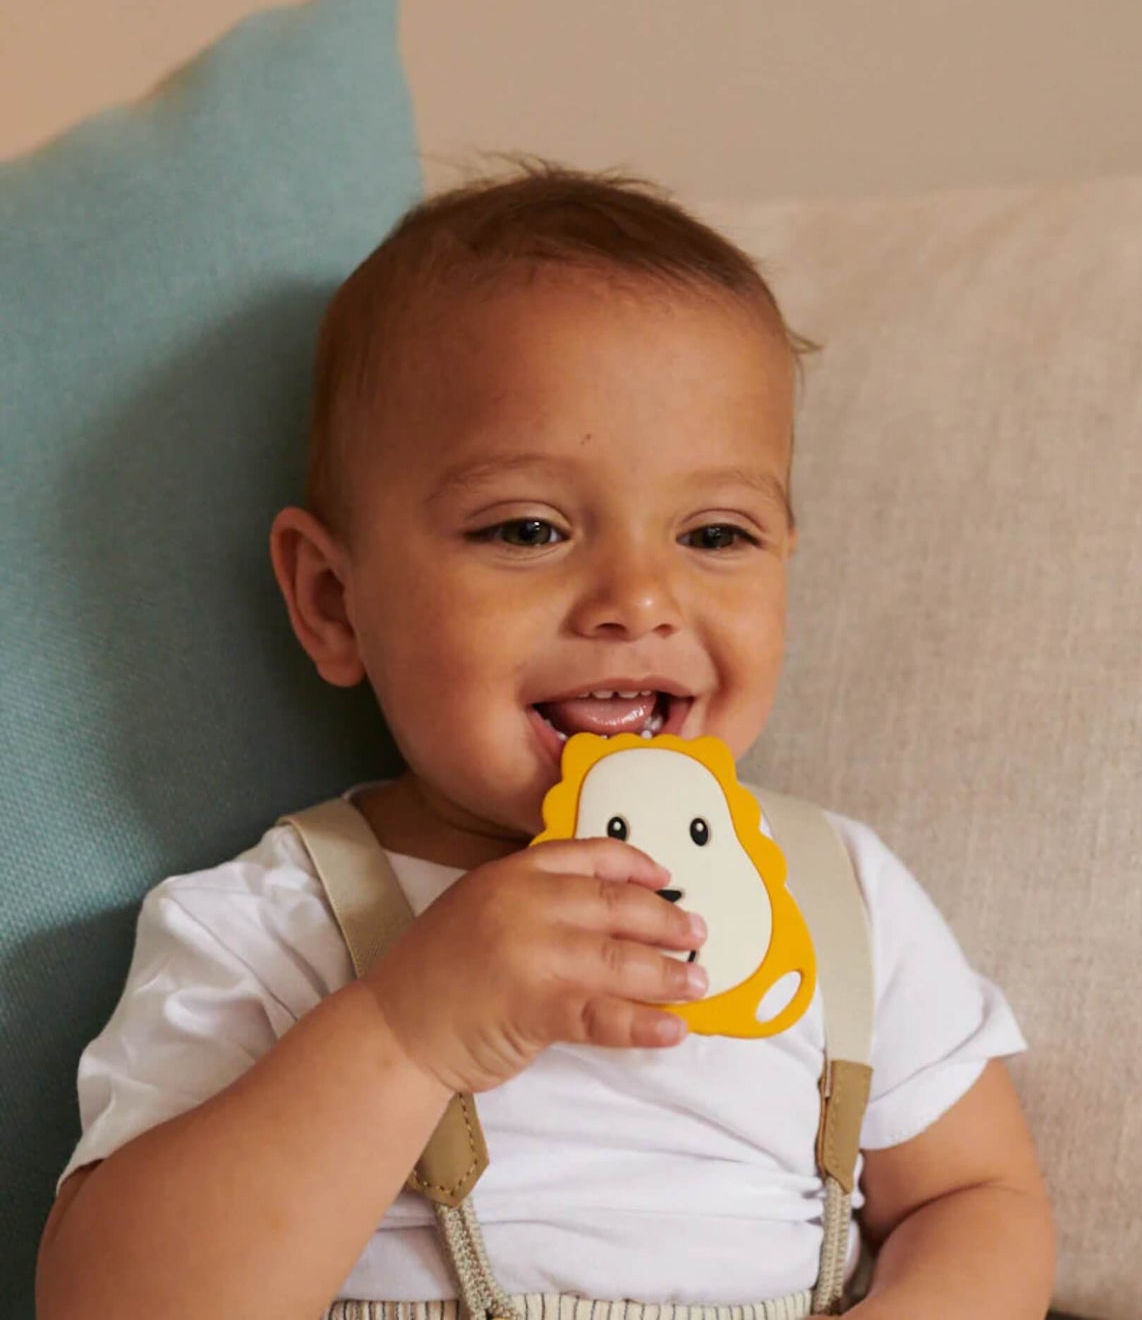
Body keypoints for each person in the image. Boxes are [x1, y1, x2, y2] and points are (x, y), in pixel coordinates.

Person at [35, 163, 1055, 1318]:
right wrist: (407, 1027)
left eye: (714, 531)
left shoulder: (837, 896)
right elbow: (114, 1299)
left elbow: (973, 1195)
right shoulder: (273, 927)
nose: (637, 596)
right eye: (528, 527)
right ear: (331, 598)